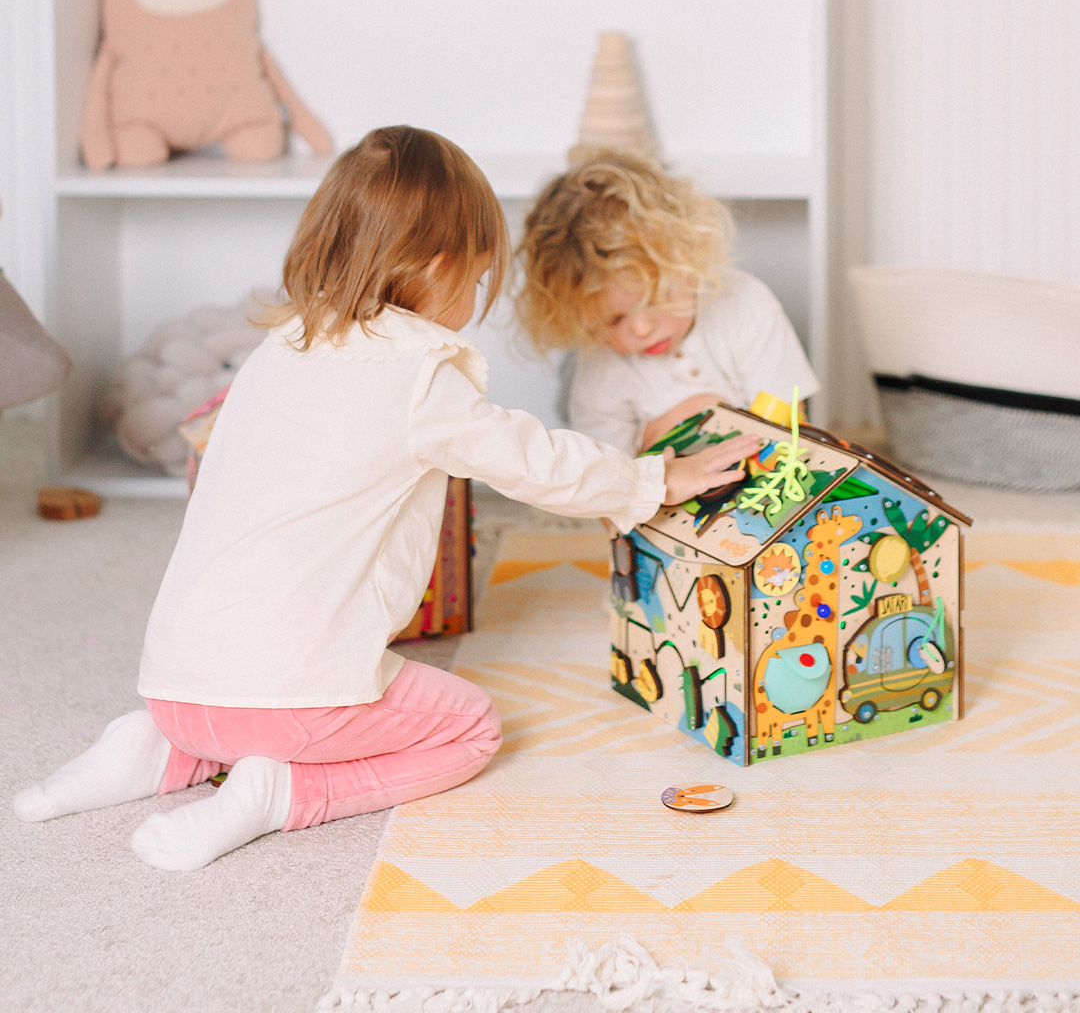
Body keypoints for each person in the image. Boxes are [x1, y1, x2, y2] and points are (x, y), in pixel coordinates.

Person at [12, 126, 759, 870]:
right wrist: (654, 480)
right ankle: (283, 796)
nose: (473, 294)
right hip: (287, 701)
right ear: (436, 266)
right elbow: (534, 460)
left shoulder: (281, 349)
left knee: (235, 704)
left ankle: (152, 750)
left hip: (174, 687)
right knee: (470, 731)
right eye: (475, 278)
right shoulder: (417, 378)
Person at [515, 151, 819, 456]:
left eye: (655, 298)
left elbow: (787, 425)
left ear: (687, 260)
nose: (643, 328)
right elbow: (609, 481)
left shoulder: (745, 305)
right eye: (614, 320)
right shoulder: (598, 375)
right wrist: (657, 444)